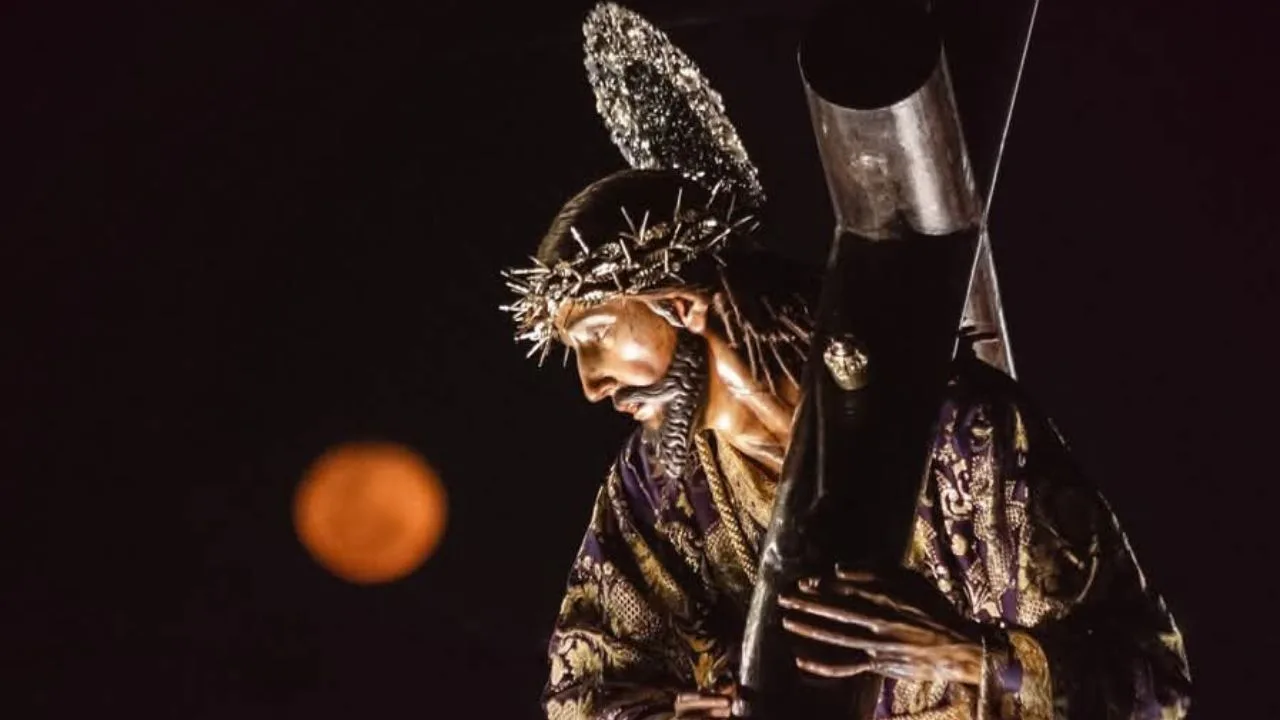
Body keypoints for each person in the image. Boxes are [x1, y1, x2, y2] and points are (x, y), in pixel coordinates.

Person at [502, 5, 1191, 718]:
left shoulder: (958, 432)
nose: (590, 385)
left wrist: (961, 653)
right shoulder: (656, 491)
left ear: (681, 306)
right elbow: (582, 694)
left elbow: (1154, 686)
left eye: (594, 337)